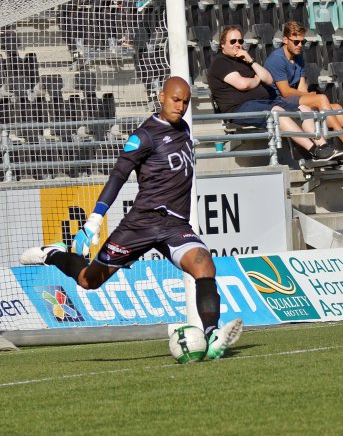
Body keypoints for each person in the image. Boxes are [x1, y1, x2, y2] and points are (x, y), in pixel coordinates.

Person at [19, 77, 243, 360]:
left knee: (204, 265)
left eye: (186, 102)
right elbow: (118, 175)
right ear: (161, 97)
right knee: (89, 281)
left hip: (174, 225)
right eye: (176, 100)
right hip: (142, 223)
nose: (181, 106)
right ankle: (52, 254)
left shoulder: (184, 128)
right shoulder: (144, 136)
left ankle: (212, 335)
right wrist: (95, 220)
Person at [207, 25, 343, 161]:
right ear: (222, 44)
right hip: (239, 109)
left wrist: (251, 61)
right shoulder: (220, 63)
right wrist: (256, 80)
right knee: (277, 112)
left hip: (263, 103)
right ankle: (313, 151)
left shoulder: (244, 60)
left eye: (240, 41)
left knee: (304, 109)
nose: (238, 44)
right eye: (233, 41)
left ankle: (323, 146)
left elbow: (268, 79)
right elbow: (243, 84)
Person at [264, 21, 343, 153]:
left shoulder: (298, 58)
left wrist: (309, 97)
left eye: (302, 42)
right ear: (285, 40)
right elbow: (285, 92)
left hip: (293, 99)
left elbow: (302, 88)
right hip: (278, 101)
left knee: (335, 108)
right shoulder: (277, 59)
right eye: (296, 42)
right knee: (321, 99)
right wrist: (312, 97)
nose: (300, 45)